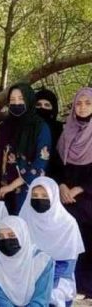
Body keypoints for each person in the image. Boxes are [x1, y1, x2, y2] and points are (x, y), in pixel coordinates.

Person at [0, 83, 51, 214]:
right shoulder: (4, 126)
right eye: (12, 100)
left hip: (24, 190)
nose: (16, 103)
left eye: (21, 99)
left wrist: (11, 187)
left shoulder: (40, 127)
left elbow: (39, 165)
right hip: (1, 189)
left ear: (29, 100)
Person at [19, 177, 83, 306]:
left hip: (58, 278)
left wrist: (44, 285)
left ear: (53, 196)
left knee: (52, 296)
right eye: (35, 195)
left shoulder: (68, 224)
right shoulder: (23, 221)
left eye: (44, 195)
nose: (39, 199)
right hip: (28, 275)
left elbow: (67, 266)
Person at [56, 87, 92, 296]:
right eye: (79, 103)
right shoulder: (66, 132)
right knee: (68, 242)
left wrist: (80, 189)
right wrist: (61, 186)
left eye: (88, 103)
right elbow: (56, 166)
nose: (82, 107)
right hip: (66, 200)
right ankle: (69, 287)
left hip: (88, 199)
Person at [0, 216, 54, 306]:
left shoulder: (43, 261)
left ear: (23, 235)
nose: (6, 240)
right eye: (0, 236)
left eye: (12, 235)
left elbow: (41, 300)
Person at [36, 88, 64, 180]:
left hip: (55, 178)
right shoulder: (27, 129)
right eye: (38, 105)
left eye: (47, 105)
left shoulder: (61, 129)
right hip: (28, 178)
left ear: (53, 108)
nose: (42, 108)